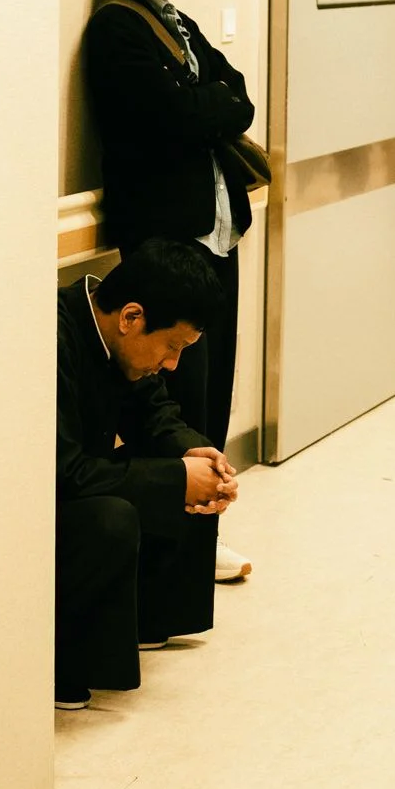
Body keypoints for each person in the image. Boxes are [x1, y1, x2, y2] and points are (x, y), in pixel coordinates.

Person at [84, 0, 256, 582]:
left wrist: (205, 103)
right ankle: (174, 550)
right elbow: (175, 118)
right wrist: (203, 105)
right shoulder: (117, 29)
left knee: (213, 394)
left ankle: (203, 532)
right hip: (167, 241)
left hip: (215, 235)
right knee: (174, 402)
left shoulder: (177, 23)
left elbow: (237, 97)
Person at [55, 239, 238, 710]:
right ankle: (64, 665)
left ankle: (152, 621)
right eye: (172, 346)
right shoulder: (52, 338)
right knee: (118, 513)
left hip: (72, 478)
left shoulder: (116, 336)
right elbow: (62, 472)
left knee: (193, 474)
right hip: (33, 503)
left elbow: (156, 416)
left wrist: (195, 455)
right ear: (131, 317)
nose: (172, 363)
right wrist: (177, 479)